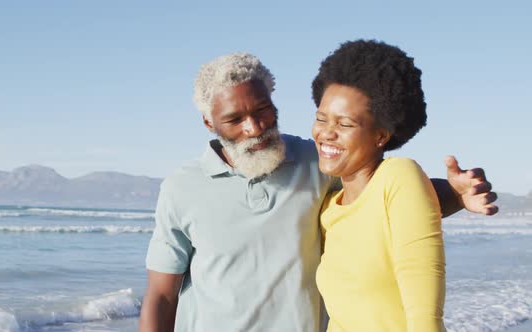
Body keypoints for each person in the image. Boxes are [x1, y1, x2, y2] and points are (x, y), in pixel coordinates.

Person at [139, 52, 497, 332]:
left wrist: (454, 193)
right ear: (209, 123)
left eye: (263, 110)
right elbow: (161, 294)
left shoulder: (316, 161)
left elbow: (383, 196)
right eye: (235, 120)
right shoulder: (181, 187)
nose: (254, 128)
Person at [312, 40, 448, 331]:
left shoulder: (399, 177)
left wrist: (458, 193)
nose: (326, 133)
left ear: (381, 135)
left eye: (345, 124)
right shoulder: (328, 208)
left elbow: (426, 318)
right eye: (321, 119)